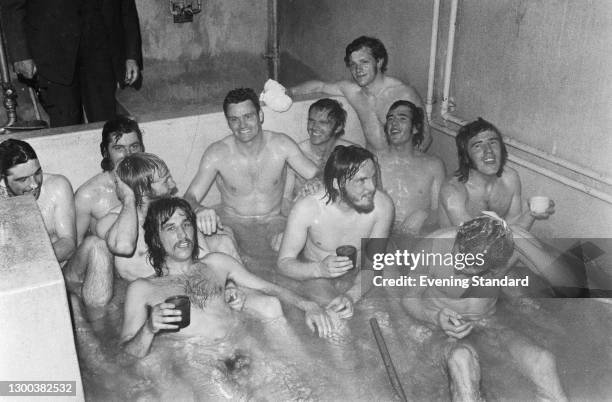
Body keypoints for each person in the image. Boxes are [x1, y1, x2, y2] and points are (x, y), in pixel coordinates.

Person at [120, 197, 333, 359]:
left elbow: (270, 288)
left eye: (186, 225)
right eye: (171, 228)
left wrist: (309, 305)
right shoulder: (142, 288)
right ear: (156, 239)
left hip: (244, 346)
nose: (183, 235)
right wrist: (150, 327)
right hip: (198, 361)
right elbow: (128, 354)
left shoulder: (217, 263)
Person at [401, 213, 575, 401]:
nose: (458, 267)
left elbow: (570, 287)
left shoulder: (509, 247)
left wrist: (520, 239)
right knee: (461, 360)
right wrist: (435, 318)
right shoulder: (433, 246)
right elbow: (409, 298)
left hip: (488, 322)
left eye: (470, 269)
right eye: (458, 256)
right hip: (438, 327)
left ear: (496, 264)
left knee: (543, 361)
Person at [64, 153, 240, 316]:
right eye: (165, 181)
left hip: (175, 288)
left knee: (224, 238)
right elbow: (123, 246)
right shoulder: (111, 222)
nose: (173, 185)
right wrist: (129, 198)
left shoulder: (176, 216)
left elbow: (204, 260)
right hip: (140, 297)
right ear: (143, 189)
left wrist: (228, 286)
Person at [183, 88, 318, 246]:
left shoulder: (281, 146)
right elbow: (188, 198)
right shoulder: (217, 154)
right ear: (228, 122)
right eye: (234, 119)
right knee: (222, 246)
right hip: (231, 223)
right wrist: (199, 210)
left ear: (260, 115)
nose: (242, 125)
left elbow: (319, 173)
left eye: (248, 116)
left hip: (273, 220)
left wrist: (314, 182)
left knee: (286, 244)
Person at [277, 145, 394, 317]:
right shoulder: (307, 208)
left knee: (385, 319)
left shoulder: (382, 206)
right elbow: (283, 264)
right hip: (317, 277)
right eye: (361, 180)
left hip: (361, 275)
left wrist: (351, 295)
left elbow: (373, 264)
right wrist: (319, 270)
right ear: (337, 184)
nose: (371, 187)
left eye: (373, 177)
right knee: (336, 322)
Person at [1, 0, 142, 127]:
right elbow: (12, 7)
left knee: (107, 124)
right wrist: (21, 55)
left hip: (101, 52)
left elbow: (126, 6)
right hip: (52, 54)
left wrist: (131, 55)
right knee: (66, 125)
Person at [289, 36, 431, 153]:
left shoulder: (404, 93)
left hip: (400, 168)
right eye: (353, 64)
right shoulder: (353, 91)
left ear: (379, 62)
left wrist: (402, 168)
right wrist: (289, 92)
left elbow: (425, 139)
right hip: (371, 164)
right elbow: (319, 85)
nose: (358, 69)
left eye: (364, 62)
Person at [439, 118, 554, 230]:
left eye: (493, 143)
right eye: (478, 146)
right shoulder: (452, 190)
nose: (488, 150)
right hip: (453, 246)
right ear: (466, 156)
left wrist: (531, 214)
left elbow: (514, 229)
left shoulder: (510, 179)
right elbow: (473, 240)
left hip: (495, 243)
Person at [0, 139, 76, 263]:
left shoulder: (57, 186)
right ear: (3, 180)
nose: (34, 184)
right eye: (23, 179)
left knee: (95, 245)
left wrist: (32, 263)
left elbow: (68, 243)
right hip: (15, 275)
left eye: (37, 173)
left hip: (57, 269)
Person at [378, 100, 445, 236]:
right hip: (380, 234)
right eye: (390, 119)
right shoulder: (373, 161)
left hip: (415, 237)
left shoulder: (433, 166)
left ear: (415, 128)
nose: (394, 123)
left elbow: (438, 212)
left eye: (402, 118)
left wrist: (423, 217)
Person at [74, 115, 144, 244]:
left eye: (134, 146)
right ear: (105, 152)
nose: (128, 154)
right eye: (119, 148)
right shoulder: (87, 195)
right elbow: (76, 246)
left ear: (142, 148)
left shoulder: (154, 183)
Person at [283, 98, 357, 206]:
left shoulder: (351, 153)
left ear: (338, 127)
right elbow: (285, 200)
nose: (314, 127)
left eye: (323, 122)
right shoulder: (295, 155)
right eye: (311, 121)